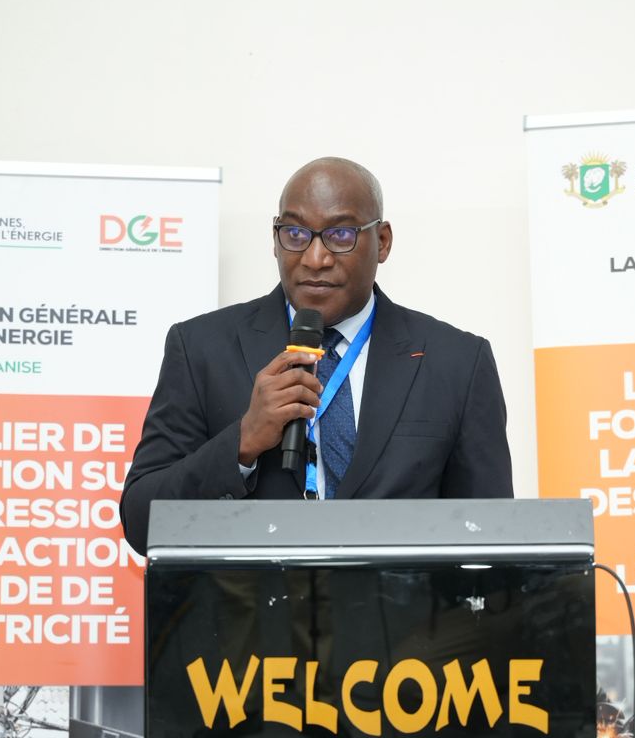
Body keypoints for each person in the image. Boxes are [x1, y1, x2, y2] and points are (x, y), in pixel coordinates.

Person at [120, 156, 512, 551]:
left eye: (340, 235)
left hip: (399, 592)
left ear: (382, 242)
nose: (315, 258)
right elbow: (141, 521)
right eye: (295, 234)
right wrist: (242, 442)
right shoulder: (201, 348)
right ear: (275, 240)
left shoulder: (457, 362)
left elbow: (494, 538)